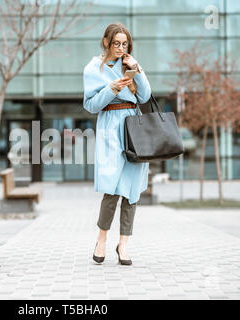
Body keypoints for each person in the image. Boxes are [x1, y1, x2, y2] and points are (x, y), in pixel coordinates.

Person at [83, 23, 152, 265]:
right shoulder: (93, 68)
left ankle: (124, 244)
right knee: (111, 187)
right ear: (106, 42)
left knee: (132, 190)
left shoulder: (131, 63)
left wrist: (137, 71)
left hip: (135, 127)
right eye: (116, 43)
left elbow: (144, 97)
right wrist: (111, 89)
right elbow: (90, 105)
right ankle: (101, 239)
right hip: (111, 128)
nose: (121, 48)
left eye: (125, 44)